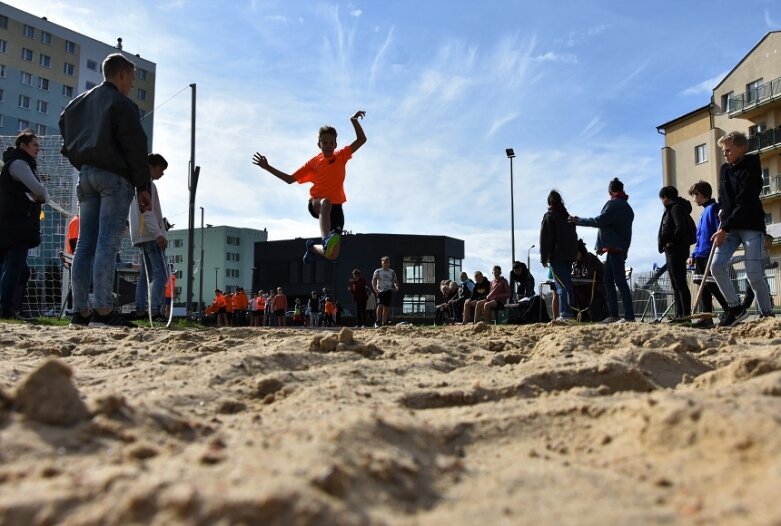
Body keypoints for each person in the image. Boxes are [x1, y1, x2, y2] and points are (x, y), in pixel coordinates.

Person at [59, 53, 151, 328]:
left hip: (86, 175)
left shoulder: (78, 104)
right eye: (132, 78)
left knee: (85, 243)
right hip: (113, 177)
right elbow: (135, 147)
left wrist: (78, 157)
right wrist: (142, 186)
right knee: (107, 243)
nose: (132, 84)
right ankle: (102, 307)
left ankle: (80, 310)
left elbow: (64, 125)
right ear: (122, 74)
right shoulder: (123, 105)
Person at [252, 111, 367, 262]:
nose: (328, 146)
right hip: (316, 203)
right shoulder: (313, 163)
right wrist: (267, 167)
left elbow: (361, 139)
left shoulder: (341, 156)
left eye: (331, 143)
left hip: (337, 208)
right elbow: (289, 179)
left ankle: (313, 248)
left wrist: (354, 120)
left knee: (332, 255)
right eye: (324, 143)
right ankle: (326, 239)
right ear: (319, 144)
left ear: (335, 144)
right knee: (326, 202)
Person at [710, 131, 774, 326]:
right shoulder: (724, 169)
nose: (725, 154)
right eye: (723, 150)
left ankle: (767, 315)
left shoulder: (752, 169)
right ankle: (736, 308)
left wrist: (724, 228)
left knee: (753, 272)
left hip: (750, 226)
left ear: (741, 148)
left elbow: (744, 202)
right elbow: (723, 196)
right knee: (716, 266)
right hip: (730, 226)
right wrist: (721, 209)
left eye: (728, 150)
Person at [569, 177, 635, 323]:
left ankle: (626, 316)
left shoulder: (613, 204)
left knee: (618, 282)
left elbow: (600, 221)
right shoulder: (627, 207)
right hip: (619, 249)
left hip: (614, 250)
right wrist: (602, 246)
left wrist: (578, 220)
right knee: (608, 281)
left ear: (610, 191)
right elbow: (613, 227)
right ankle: (615, 314)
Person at [0, 130, 47, 320]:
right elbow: (41, 191)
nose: (38, 148)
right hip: (16, 226)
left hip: (11, 225)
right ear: (23, 145)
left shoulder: (20, 164)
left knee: (21, 270)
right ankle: (6, 309)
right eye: (35, 144)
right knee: (15, 268)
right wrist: (40, 194)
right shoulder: (19, 164)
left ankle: (10, 307)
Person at [129, 153, 169, 322]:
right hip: (150, 234)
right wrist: (159, 234)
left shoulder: (135, 184)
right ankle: (155, 310)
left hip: (141, 234)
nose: (162, 173)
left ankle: (140, 309)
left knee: (146, 275)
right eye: (161, 169)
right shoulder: (147, 185)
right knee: (161, 274)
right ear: (151, 167)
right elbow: (148, 212)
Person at [688, 181, 729, 328]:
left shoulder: (713, 209)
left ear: (700, 194)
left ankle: (729, 310)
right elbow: (700, 236)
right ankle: (706, 317)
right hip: (700, 253)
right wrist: (694, 254)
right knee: (703, 286)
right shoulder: (703, 212)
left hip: (709, 253)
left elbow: (719, 230)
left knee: (711, 286)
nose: (694, 200)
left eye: (694, 196)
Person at [657, 186, 695, 321]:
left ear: (665, 197)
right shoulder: (675, 208)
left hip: (676, 250)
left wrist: (671, 241)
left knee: (680, 283)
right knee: (676, 284)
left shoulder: (675, 208)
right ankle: (680, 314)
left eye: (662, 198)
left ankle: (685, 315)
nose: (662, 201)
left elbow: (680, 227)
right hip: (673, 250)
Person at [540, 190, 578, 322]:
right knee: (567, 285)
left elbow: (546, 238)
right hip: (568, 256)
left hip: (557, 256)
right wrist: (573, 255)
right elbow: (574, 237)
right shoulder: (567, 216)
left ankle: (566, 313)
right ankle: (570, 312)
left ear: (549, 202)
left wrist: (544, 257)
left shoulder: (549, 216)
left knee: (561, 286)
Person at [571, 239, 606, 322]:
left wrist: (574, 279)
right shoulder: (576, 263)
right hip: (586, 289)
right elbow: (577, 276)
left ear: (580, 251)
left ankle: (582, 315)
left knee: (575, 289)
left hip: (596, 289)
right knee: (571, 289)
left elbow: (589, 276)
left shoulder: (590, 258)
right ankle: (578, 315)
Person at [372, 256, 399, 327]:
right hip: (380, 291)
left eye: (387, 262)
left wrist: (396, 287)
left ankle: (384, 322)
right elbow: (374, 280)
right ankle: (378, 321)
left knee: (386, 307)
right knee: (380, 305)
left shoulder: (392, 272)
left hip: (388, 290)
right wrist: (375, 289)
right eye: (384, 262)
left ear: (389, 263)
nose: (386, 264)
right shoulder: (378, 271)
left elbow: (395, 281)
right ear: (382, 263)